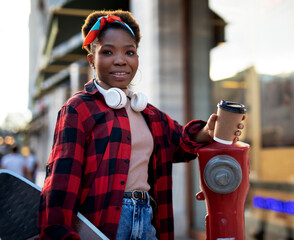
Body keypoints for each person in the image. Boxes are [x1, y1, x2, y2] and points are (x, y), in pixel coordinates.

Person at [38, 9, 244, 240]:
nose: (120, 60)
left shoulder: (149, 113)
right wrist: (59, 232)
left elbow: (180, 143)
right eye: (107, 52)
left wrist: (209, 131)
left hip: (147, 220)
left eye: (129, 52)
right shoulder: (78, 108)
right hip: (101, 225)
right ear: (91, 60)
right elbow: (61, 181)